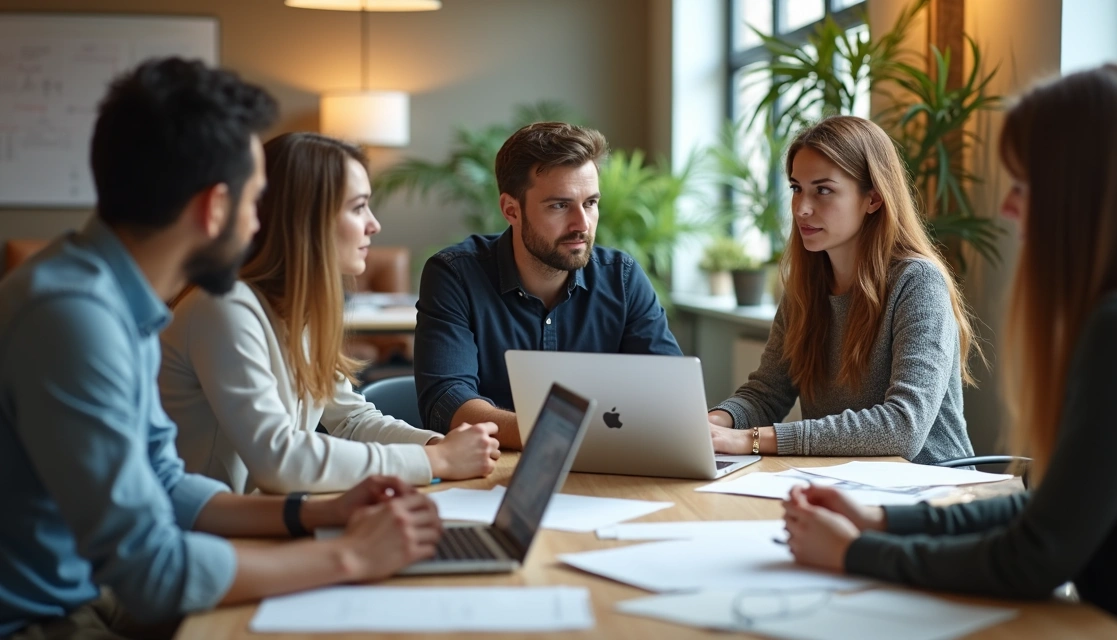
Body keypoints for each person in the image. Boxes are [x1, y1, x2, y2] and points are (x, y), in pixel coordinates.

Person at [0, 58, 441, 639]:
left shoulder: (115, 300)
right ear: (213, 209)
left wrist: (317, 512)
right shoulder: (72, 318)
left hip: (91, 594)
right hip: (43, 619)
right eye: (256, 202)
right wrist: (350, 556)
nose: (263, 222)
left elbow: (164, 480)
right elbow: (151, 571)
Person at [782, 63, 1117, 638]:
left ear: (1085, 188)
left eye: (1024, 183)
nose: (1008, 207)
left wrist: (856, 553)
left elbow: (1038, 554)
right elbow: (1050, 511)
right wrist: (881, 520)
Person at [160, 132, 498, 495]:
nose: (374, 224)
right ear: (306, 220)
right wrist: (437, 462)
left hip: (262, 518)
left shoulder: (299, 309)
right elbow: (279, 461)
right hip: (210, 532)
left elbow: (351, 419)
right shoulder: (223, 307)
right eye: (358, 207)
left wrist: (436, 447)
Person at [708, 115, 978, 464]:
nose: (802, 208)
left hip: (934, 493)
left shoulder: (918, 282)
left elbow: (903, 427)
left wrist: (754, 439)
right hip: (841, 484)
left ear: (874, 199)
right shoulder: (805, 288)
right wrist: (712, 425)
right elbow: (766, 395)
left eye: (823, 190)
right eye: (796, 188)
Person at [413, 122, 682, 449]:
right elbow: (446, 400)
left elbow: (671, 393)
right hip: (495, 477)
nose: (582, 224)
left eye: (590, 203)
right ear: (511, 210)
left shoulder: (622, 277)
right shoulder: (455, 275)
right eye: (560, 205)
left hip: (611, 474)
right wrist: (564, 434)